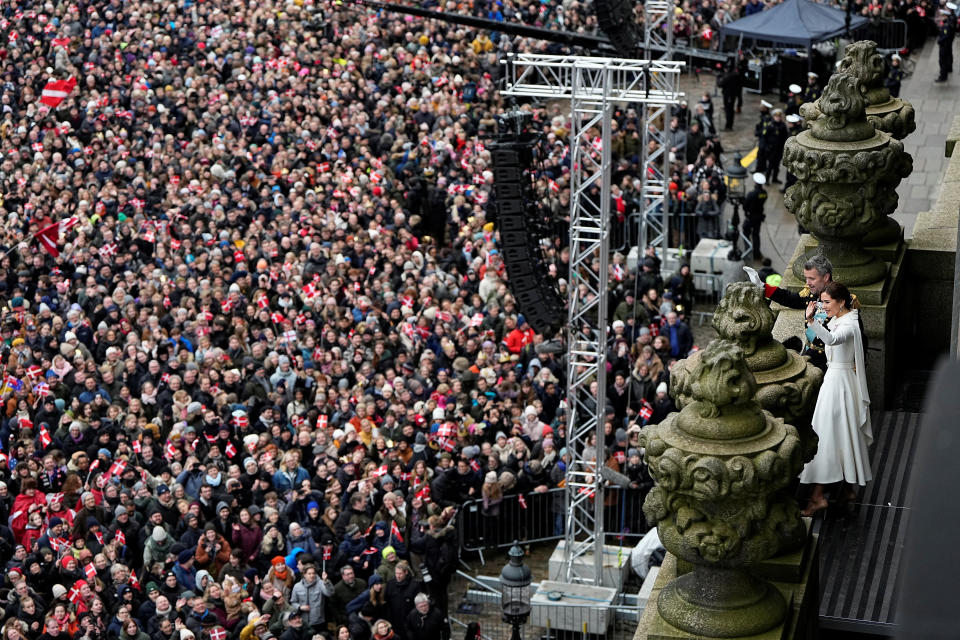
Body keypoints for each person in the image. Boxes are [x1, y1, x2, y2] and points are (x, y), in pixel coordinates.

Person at [799, 282, 872, 516]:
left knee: (826, 435)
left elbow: (831, 340)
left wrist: (812, 321)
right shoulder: (844, 318)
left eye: (827, 302)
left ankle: (818, 496)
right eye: (822, 302)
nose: (824, 306)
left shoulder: (849, 324)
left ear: (841, 302)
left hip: (838, 384)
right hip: (838, 381)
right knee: (841, 435)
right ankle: (847, 490)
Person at [744, 253, 833, 371]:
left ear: (826, 277)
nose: (807, 283)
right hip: (811, 351)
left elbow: (855, 333)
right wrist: (762, 286)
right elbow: (790, 299)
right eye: (806, 278)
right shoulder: (811, 293)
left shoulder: (842, 300)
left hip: (831, 358)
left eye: (812, 278)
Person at [742, 173, 768, 260]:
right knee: (756, 235)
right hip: (759, 217)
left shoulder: (752, 194)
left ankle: (747, 250)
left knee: (746, 232)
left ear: (755, 183)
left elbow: (745, 205)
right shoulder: (764, 194)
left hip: (750, 217)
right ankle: (756, 253)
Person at [718, 62, 742, 131]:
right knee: (730, 110)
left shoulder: (729, 76)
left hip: (728, 95)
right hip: (732, 95)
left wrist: (719, 77)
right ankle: (729, 125)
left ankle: (728, 126)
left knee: (728, 111)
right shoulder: (736, 74)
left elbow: (720, 84)